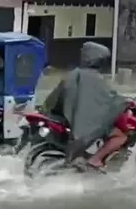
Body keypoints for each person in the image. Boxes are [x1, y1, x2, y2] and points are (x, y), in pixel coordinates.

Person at [42, 42, 129, 171]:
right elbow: (109, 99)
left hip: (64, 117)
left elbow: (53, 99)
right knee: (120, 136)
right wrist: (125, 102)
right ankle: (96, 159)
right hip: (82, 123)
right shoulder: (95, 78)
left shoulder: (73, 74)